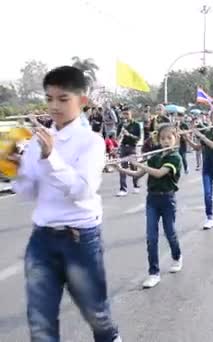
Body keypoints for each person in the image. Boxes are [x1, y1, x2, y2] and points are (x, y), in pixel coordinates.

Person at [11, 66, 122, 341]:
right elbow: (27, 193)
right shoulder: (38, 142)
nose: (54, 106)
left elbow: (82, 191)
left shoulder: (92, 142)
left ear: (82, 101)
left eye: (63, 99)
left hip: (79, 239)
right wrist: (17, 169)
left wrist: (51, 157)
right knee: (40, 325)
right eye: (49, 98)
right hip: (42, 240)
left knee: (98, 316)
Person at [114, 124, 183, 288]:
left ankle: (177, 256)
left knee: (170, 233)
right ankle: (154, 273)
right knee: (151, 238)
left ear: (175, 138)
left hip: (167, 199)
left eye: (169, 138)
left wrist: (139, 164)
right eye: (162, 138)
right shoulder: (154, 157)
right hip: (152, 200)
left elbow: (159, 173)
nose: (166, 141)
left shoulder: (175, 157)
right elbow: (138, 174)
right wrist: (120, 168)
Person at [185, 110, 213, 229]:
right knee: (207, 193)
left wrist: (200, 135)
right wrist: (187, 138)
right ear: (210, 120)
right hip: (207, 166)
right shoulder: (208, 132)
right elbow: (197, 147)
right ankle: (209, 217)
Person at [116, 108, 141, 196]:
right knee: (123, 168)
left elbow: (138, 138)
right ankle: (123, 189)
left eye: (127, 114)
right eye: (124, 114)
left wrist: (129, 134)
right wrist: (121, 135)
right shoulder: (121, 125)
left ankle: (136, 186)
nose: (125, 116)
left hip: (132, 147)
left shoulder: (136, 124)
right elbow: (117, 139)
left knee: (134, 167)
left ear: (131, 114)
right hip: (123, 147)